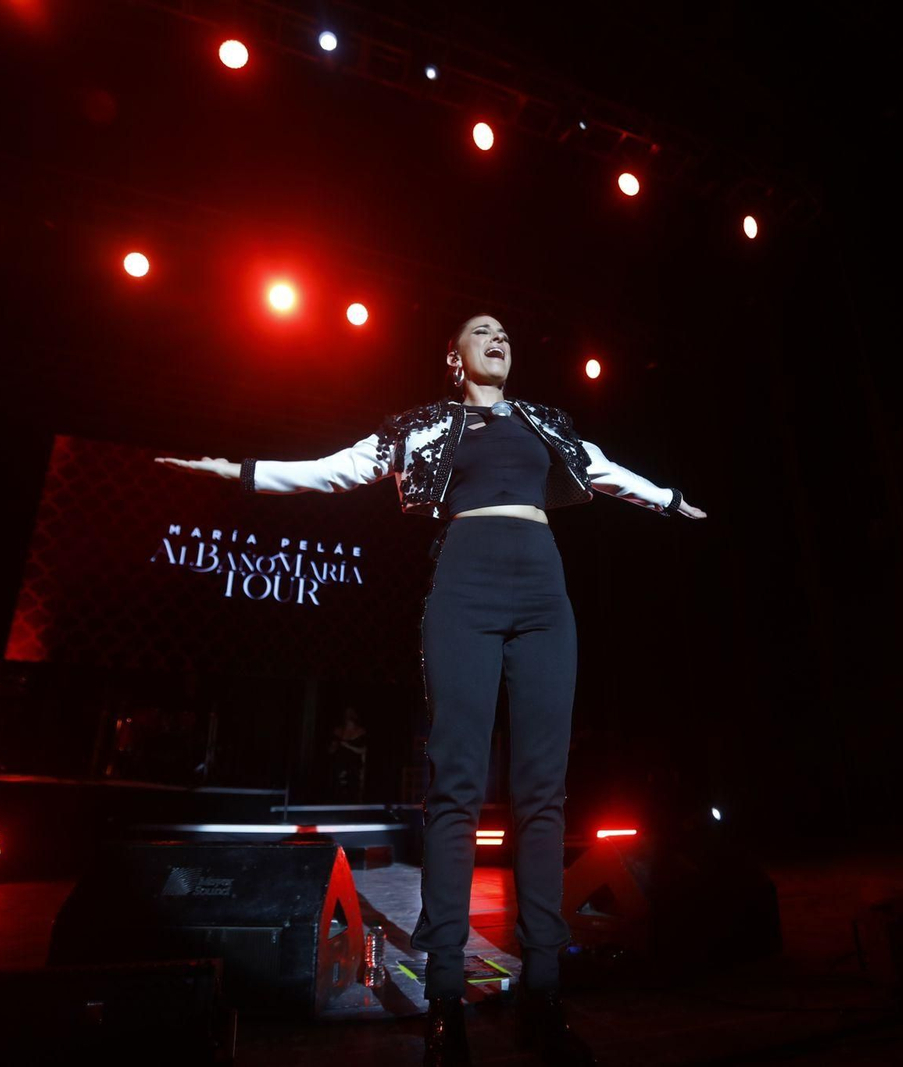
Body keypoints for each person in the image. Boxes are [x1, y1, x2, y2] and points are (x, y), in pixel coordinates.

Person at [158, 314, 705, 1066]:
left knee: (545, 793)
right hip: (465, 584)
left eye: (508, 331)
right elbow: (336, 467)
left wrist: (672, 501)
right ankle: (444, 998)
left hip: (544, 588)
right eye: (483, 331)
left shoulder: (549, 422)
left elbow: (609, 473)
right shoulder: (428, 425)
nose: (500, 337)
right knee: (456, 786)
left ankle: (545, 994)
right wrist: (239, 470)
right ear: (454, 359)